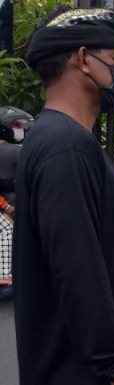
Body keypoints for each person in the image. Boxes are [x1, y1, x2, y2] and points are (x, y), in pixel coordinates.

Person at [14, 7, 114, 385]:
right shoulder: (65, 146)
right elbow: (77, 271)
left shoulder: (56, 137)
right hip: (87, 374)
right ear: (84, 60)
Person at [0, 106, 33, 295]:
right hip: (13, 209)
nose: (22, 129)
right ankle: (7, 279)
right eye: (17, 125)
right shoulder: (19, 151)